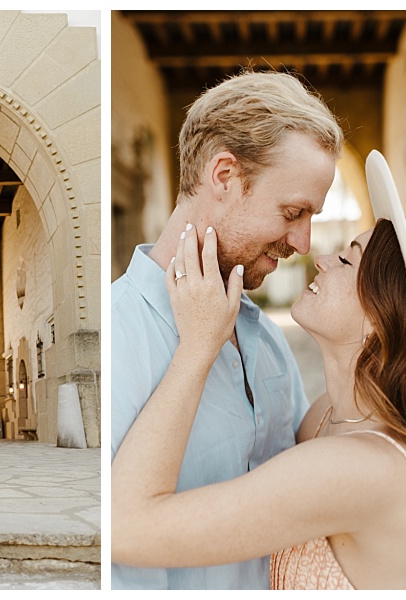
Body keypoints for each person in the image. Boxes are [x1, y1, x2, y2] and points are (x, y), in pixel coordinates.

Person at [112, 151, 406, 589]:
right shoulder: (325, 418)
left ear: (379, 322)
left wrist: (199, 347)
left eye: (348, 261)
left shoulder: (356, 470)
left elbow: (124, 526)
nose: (320, 257)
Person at [110, 70, 343, 589]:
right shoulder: (115, 334)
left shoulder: (271, 342)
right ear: (223, 176)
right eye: (292, 211)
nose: (303, 242)